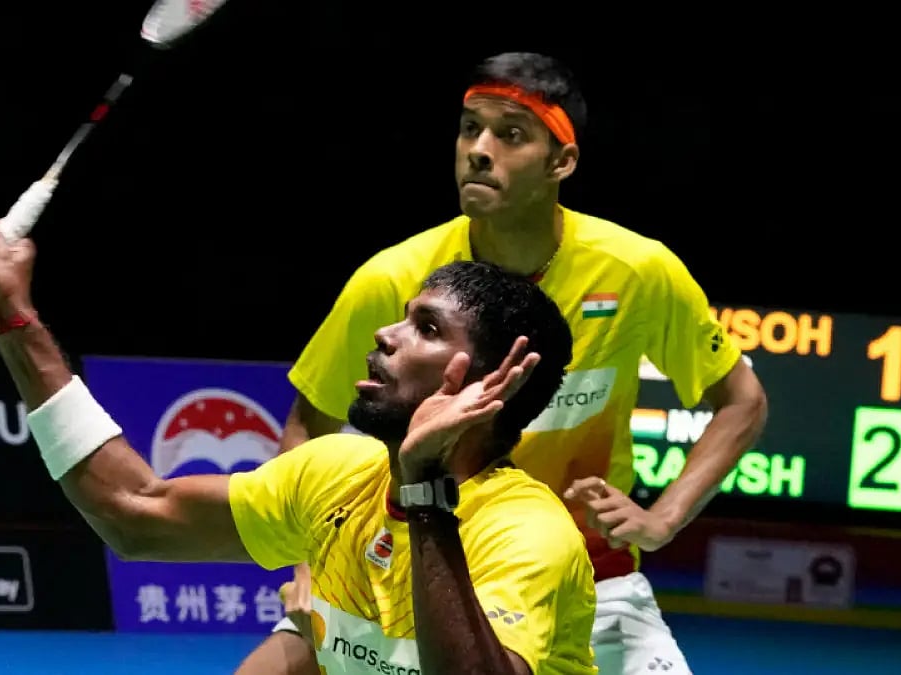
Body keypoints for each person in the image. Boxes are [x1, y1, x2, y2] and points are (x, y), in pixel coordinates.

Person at [244, 51, 769, 675]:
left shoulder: (636, 271)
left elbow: (742, 401)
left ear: (562, 161)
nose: (478, 149)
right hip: (401, 569)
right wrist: (307, 565)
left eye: (510, 134)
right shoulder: (395, 278)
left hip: (589, 579)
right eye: (470, 129)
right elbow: (310, 422)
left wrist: (663, 518)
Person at [0, 232, 599, 675]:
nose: (385, 333)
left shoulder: (525, 532)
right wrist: (17, 323)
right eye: (404, 317)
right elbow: (135, 512)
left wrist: (424, 485)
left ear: (491, 383)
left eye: (426, 329)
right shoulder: (339, 472)